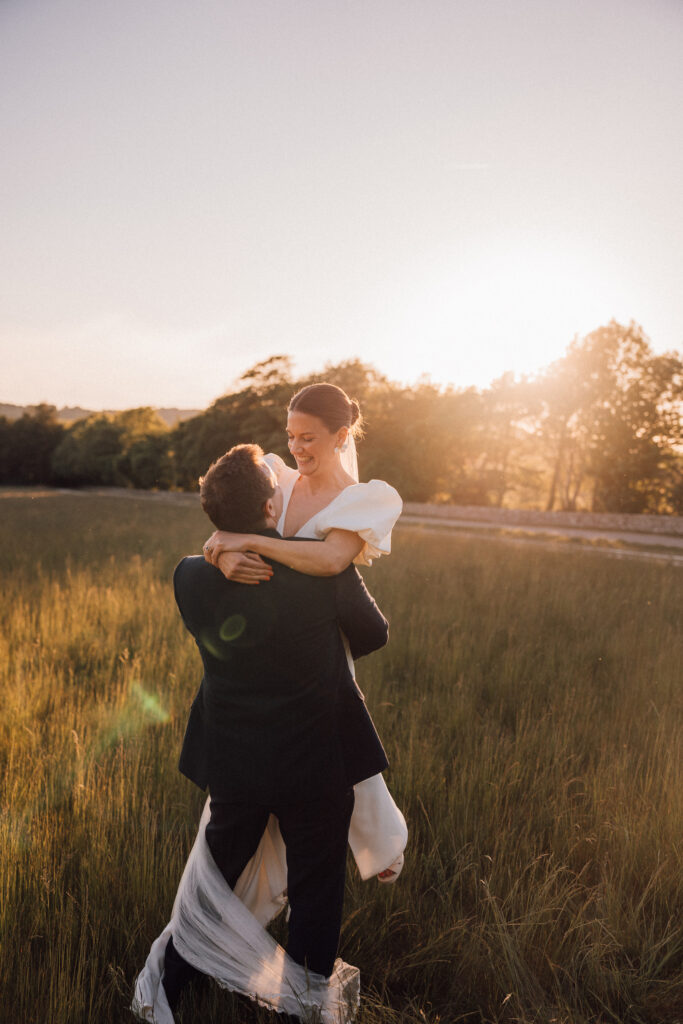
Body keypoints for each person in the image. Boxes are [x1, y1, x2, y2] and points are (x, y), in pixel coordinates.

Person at [133, 443, 393, 1023]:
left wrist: (227, 550)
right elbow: (374, 634)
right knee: (315, 891)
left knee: (214, 879)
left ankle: (173, 985)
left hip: (234, 764)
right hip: (315, 762)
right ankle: (301, 1009)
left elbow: (213, 573)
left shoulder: (190, 576)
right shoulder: (320, 569)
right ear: (272, 501)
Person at [204, 382, 406, 886]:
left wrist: (248, 541)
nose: (296, 448)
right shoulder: (276, 478)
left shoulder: (363, 499)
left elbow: (332, 559)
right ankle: (233, 900)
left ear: (341, 436)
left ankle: (377, 844)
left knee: (330, 750)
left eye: (309, 438)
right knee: (258, 773)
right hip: (261, 647)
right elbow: (219, 525)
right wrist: (224, 552)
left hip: (320, 650)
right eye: (291, 435)